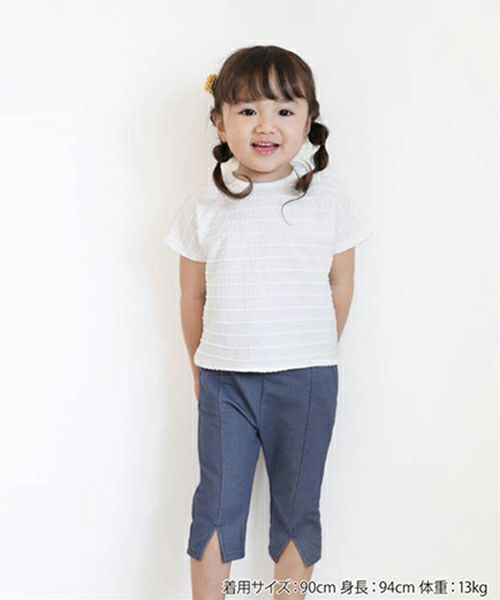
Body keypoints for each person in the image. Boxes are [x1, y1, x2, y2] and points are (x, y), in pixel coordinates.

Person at [163, 45, 374, 600]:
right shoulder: (204, 205)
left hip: (307, 379)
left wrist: (316, 348)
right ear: (220, 122)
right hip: (225, 380)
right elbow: (192, 294)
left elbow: (341, 284)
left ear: (309, 120)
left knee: (299, 507)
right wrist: (199, 369)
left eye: (284, 110)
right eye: (248, 110)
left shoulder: (328, 199)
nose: (266, 125)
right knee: (215, 507)